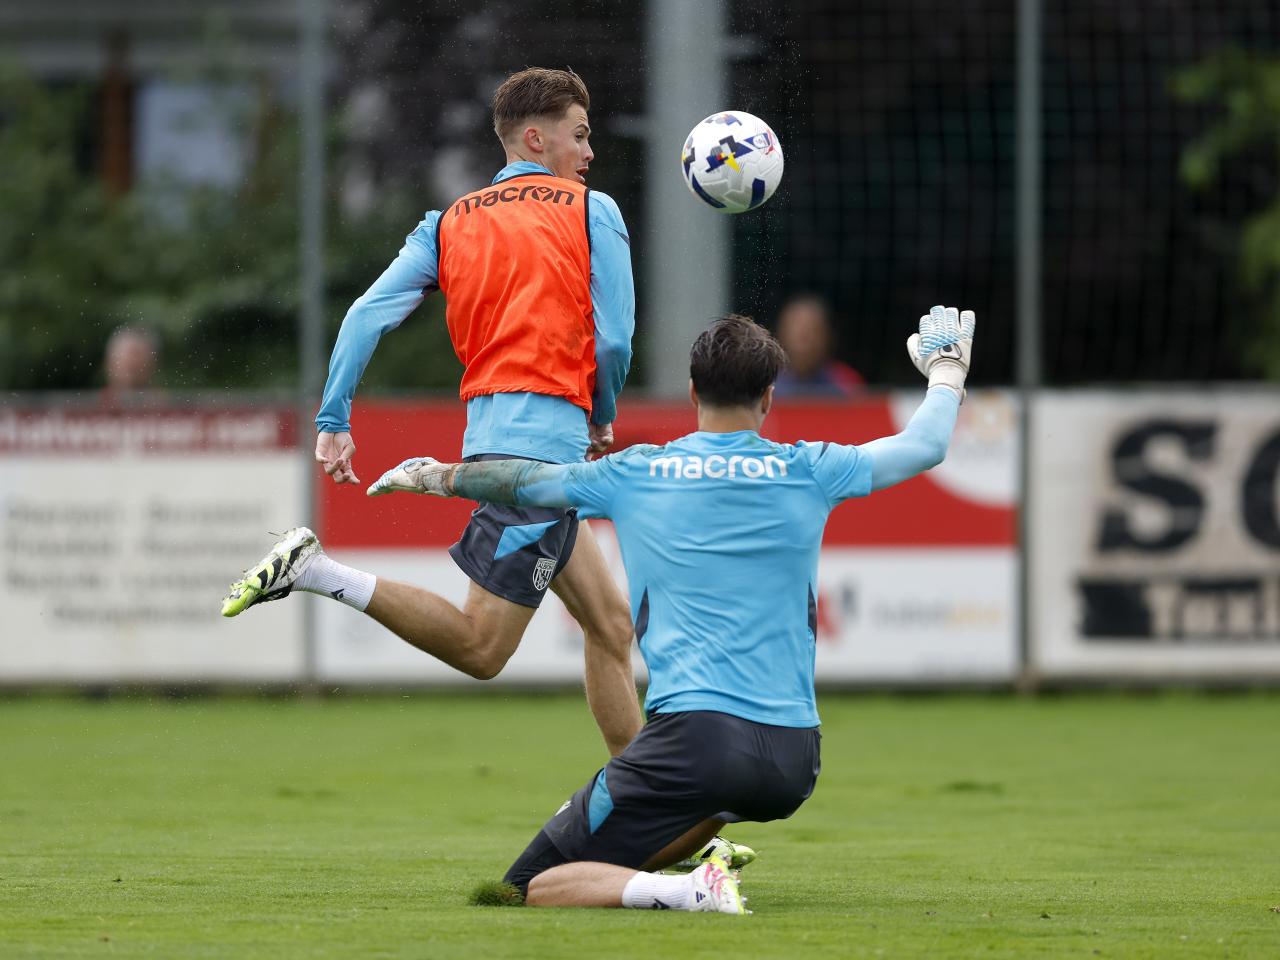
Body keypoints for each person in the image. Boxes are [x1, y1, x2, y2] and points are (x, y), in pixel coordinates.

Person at [365, 305, 977, 913]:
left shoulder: (638, 472)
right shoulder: (810, 468)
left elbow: (527, 482)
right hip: (794, 760)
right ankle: (694, 863)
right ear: (768, 398)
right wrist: (946, 371)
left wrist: (439, 476)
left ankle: (690, 890)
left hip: (696, 746)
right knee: (627, 849)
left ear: (691, 391)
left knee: (532, 886)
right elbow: (923, 446)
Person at [220, 68, 642, 756]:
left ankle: (653, 813)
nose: (589, 152)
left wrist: (333, 423)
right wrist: (602, 416)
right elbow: (616, 337)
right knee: (482, 647)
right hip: (538, 459)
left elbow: (364, 315)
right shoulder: (592, 210)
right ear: (536, 137)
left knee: (611, 624)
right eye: (580, 134)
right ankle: (316, 571)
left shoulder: (447, 222)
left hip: (500, 447)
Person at [771, 294, 864, 398]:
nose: (804, 337)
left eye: (814, 329)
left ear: (828, 337)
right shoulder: (764, 381)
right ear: (780, 333)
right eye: (795, 327)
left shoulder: (846, 382)